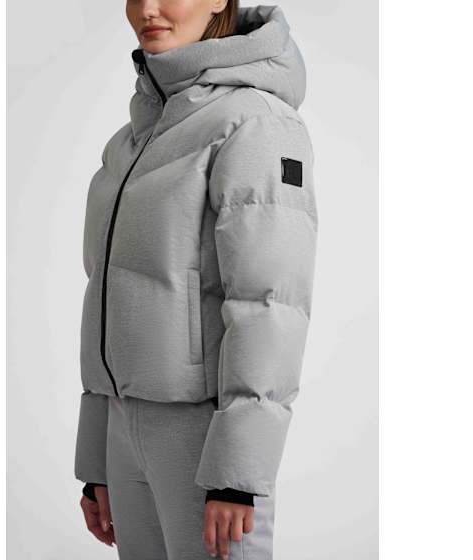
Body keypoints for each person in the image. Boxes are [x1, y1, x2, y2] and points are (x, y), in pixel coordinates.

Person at [74, 1, 318, 558]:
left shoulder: (255, 121)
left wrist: (237, 472)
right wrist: (97, 461)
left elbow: (269, 303)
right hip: (123, 427)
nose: (148, 9)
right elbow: (102, 295)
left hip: (204, 434)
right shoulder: (130, 140)